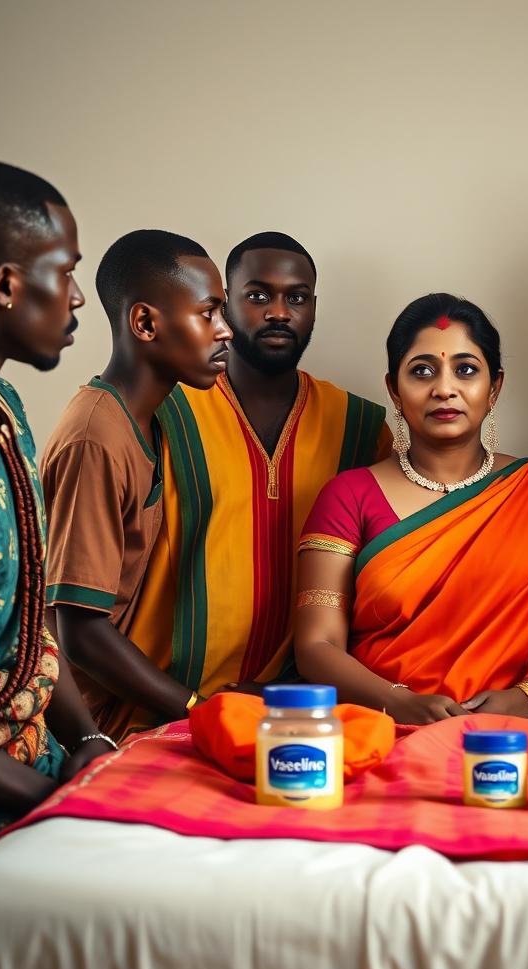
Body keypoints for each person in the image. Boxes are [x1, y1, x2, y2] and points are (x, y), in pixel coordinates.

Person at [294, 293, 528, 724]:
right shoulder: (348, 497)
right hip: (383, 728)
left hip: (513, 736)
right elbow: (316, 646)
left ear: (494, 388)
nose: (444, 388)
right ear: (393, 390)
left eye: (466, 369)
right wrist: (397, 702)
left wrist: (527, 698)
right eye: (421, 371)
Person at [125, 232, 391, 723]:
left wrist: (283, 690)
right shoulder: (167, 410)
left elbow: (372, 591)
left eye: (297, 297)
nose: (279, 312)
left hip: (301, 710)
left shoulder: (362, 428)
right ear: (224, 305)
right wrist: (194, 710)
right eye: (258, 296)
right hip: (157, 709)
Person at [0, 158, 110, 873]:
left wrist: (90, 743)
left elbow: (33, 613)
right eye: (65, 271)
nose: (76, 297)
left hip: (34, 764)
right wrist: (46, 797)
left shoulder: (5, 412)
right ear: (8, 286)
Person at [41, 230, 232, 742]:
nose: (226, 331)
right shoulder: (96, 437)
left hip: (127, 710)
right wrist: (200, 709)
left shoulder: (152, 421)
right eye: (208, 313)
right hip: (78, 730)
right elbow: (79, 633)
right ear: (145, 322)